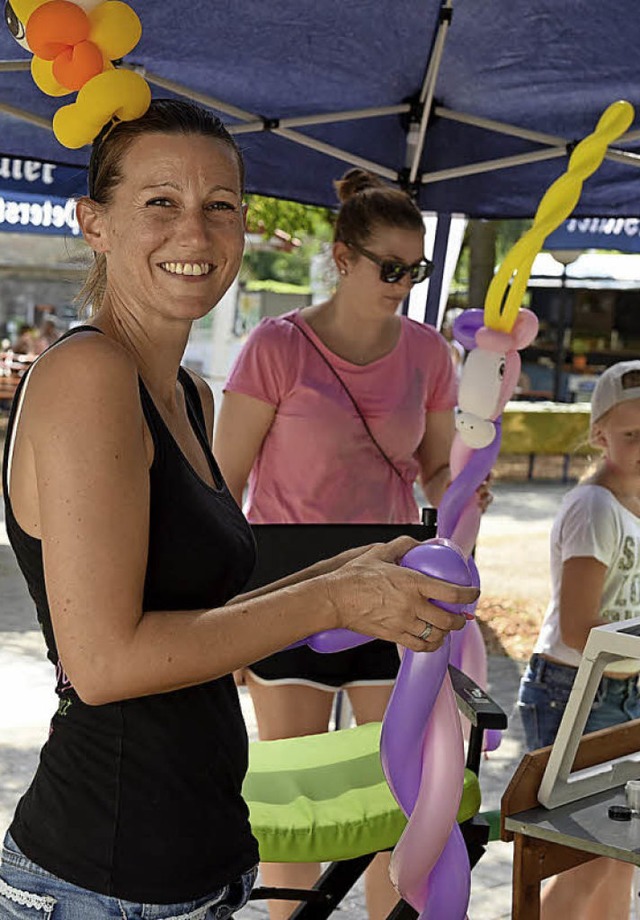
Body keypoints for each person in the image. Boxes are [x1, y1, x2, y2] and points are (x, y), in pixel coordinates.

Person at [0, 100, 478, 920]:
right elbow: (107, 663)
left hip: (198, 863)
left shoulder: (188, 393)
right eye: (160, 203)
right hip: (103, 878)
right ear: (94, 223)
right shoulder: (87, 377)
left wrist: (345, 571)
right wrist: (329, 601)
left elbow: (197, 620)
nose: (195, 232)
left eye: (219, 205)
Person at [214, 168, 463, 920]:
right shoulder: (277, 346)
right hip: (287, 593)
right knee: (299, 799)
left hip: (393, 592)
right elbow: (222, 485)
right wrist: (221, 614)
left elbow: (438, 468)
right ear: (343, 257)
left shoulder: (429, 354)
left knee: (397, 795)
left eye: (414, 270)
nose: (402, 284)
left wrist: (465, 481)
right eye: (389, 267)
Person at [517, 359, 640, 920]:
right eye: (632, 433)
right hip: (574, 695)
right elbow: (578, 629)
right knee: (586, 859)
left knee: (620, 857)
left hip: (625, 692)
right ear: (599, 435)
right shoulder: (594, 509)